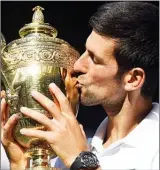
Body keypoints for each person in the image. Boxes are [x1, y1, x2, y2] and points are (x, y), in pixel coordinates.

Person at [1, 1, 159, 170]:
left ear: (133, 79)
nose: (77, 65)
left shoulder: (154, 150)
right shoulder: (75, 146)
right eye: (84, 50)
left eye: (94, 59)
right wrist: (19, 164)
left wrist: (80, 161)